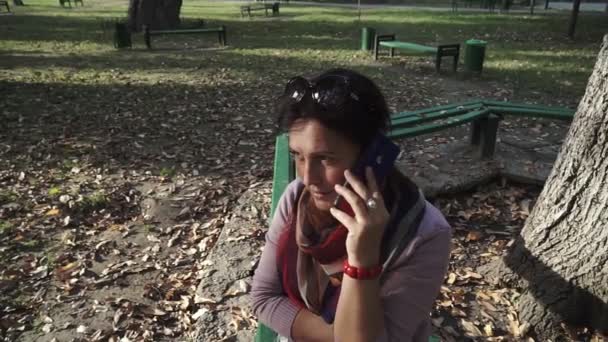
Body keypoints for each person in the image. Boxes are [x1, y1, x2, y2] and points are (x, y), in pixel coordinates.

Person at [251, 68, 451, 342]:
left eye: (325, 159)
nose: (308, 178)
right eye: (298, 156)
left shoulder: (424, 234)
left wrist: (363, 259)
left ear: (370, 155)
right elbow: (263, 297)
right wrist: (336, 335)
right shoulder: (297, 199)